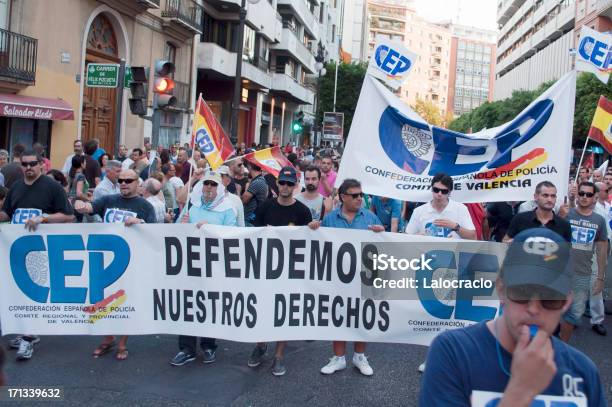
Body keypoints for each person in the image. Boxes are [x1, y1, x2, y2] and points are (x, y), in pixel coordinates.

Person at [419, 228, 606, 406]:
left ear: (566, 301)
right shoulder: (453, 353)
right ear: (501, 290)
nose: (533, 309)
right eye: (522, 292)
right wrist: (520, 392)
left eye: (549, 298)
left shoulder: (582, 372)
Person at [73, 169, 156, 361]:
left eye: (128, 180)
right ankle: (108, 338)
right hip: (103, 261)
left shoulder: (145, 206)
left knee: (125, 301)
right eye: (121, 180)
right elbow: (90, 207)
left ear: (138, 183)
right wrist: (81, 205)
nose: (124, 183)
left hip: (130, 262)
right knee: (102, 301)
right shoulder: (108, 200)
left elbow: (155, 234)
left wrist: (140, 222)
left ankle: (122, 343)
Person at [0, 150, 74, 360]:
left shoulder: (52, 187)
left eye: (33, 163)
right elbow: (8, 213)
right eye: (25, 164)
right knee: (14, 290)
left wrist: (44, 218)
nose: (29, 167)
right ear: (20, 166)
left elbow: (68, 216)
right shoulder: (16, 187)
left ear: (42, 164)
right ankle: (26, 332)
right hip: (15, 248)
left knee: (32, 293)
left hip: (42, 249)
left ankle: (28, 338)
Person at [309, 178, 384, 377]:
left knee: (362, 316)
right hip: (338, 278)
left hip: (363, 276)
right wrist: (314, 229)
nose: (360, 198)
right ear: (342, 197)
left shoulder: (370, 218)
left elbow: (384, 243)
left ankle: (360, 356)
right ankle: (339, 358)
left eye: (361, 194)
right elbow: (319, 243)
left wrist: (382, 233)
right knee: (338, 315)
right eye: (355, 195)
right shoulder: (331, 219)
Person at [247, 167, 312, 376]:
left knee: (283, 312)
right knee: (263, 307)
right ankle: (260, 344)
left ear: (295, 186)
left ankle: (279, 356)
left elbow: (309, 243)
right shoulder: (266, 206)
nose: (285, 187)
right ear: (277, 184)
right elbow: (252, 232)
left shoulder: (303, 211)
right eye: (282, 183)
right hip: (265, 268)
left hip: (290, 270)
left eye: (289, 183)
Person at [170, 170, 237, 366]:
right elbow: (177, 229)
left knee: (210, 304)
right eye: (206, 184)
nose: (209, 188)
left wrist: (212, 229)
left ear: (220, 187)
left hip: (215, 265)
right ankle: (187, 348)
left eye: (213, 185)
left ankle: (208, 346)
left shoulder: (227, 209)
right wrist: (182, 224)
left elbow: (233, 234)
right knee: (188, 304)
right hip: (190, 262)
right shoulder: (193, 205)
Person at [560, 182, 608, 342]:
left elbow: (602, 251)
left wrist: (600, 278)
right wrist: (560, 216)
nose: (584, 197)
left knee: (575, 313)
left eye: (588, 194)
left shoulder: (599, 220)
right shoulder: (566, 213)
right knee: (553, 309)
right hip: (560, 271)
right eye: (582, 193)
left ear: (595, 198)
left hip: (583, 273)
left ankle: (562, 346)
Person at [405, 173, 476, 240]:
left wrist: (455, 227)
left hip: (452, 252)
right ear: (432, 189)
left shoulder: (461, 209)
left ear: (449, 192)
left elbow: (473, 237)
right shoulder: (419, 211)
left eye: (444, 191)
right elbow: (406, 237)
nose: (439, 194)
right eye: (436, 190)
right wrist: (418, 237)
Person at [504, 181, 572, 243]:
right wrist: (513, 242)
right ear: (536, 197)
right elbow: (505, 241)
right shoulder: (520, 219)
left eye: (553, 196)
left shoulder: (564, 225)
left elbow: (567, 251)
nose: (549, 199)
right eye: (545, 195)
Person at [242, 162, 268, 226]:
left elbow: (243, 200)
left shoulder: (258, 182)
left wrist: (246, 187)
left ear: (250, 167)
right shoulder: (260, 180)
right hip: (253, 219)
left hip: (251, 220)